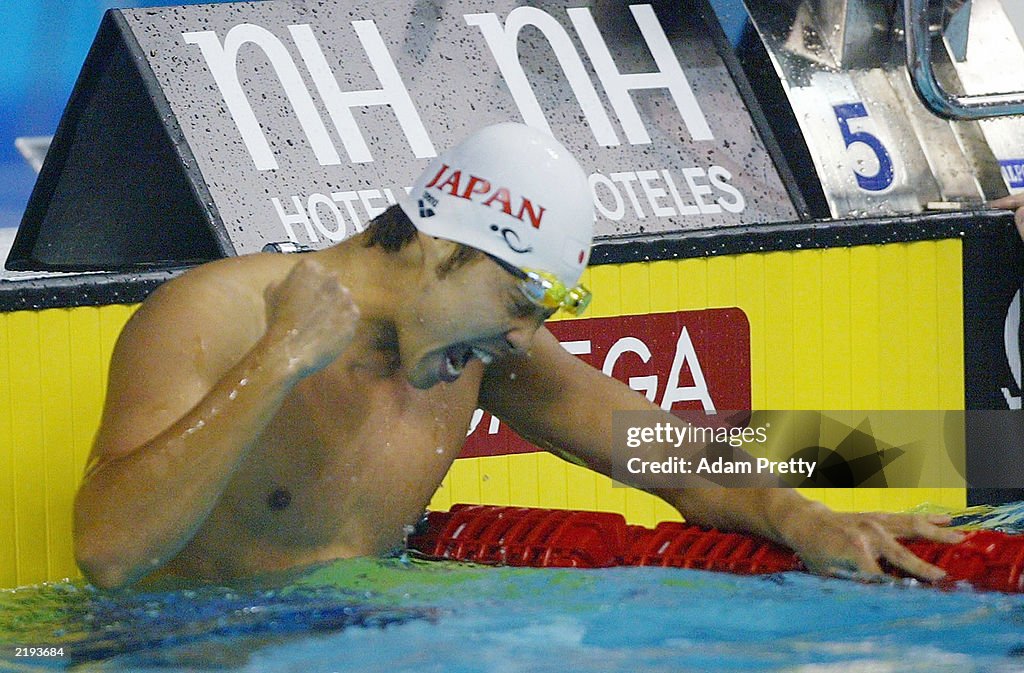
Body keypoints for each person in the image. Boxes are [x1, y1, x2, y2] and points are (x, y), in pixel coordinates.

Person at [73, 123, 961, 590]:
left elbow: (659, 450)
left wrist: (795, 517)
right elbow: (107, 554)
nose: (526, 338)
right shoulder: (216, 316)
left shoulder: (471, 354)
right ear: (440, 247)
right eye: (523, 302)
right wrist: (273, 365)